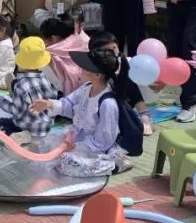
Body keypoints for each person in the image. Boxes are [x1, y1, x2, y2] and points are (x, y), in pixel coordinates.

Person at [32, 47, 131, 176]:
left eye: (85, 67)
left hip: (94, 147)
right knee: (46, 147)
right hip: (76, 137)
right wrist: (49, 104)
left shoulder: (107, 104)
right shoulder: (87, 88)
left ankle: (113, 165)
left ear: (97, 75)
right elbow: (69, 104)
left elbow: (104, 139)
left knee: (68, 163)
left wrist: (75, 146)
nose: (81, 69)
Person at [88, 30, 155, 136]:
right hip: (101, 103)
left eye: (114, 48)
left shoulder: (123, 61)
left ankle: (145, 116)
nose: (113, 53)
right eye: (107, 51)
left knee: (128, 79)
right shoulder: (92, 67)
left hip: (122, 102)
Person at [0, 37, 56, 137]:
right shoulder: (46, 80)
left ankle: (17, 135)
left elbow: (16, 111)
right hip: (45, 128)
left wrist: (1, 101)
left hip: (26, 127)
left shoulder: (21, 85)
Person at [40, 16, 88, 95]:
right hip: (89, 90)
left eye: (46, 40)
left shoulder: (51, 54)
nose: (46, 44)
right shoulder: (81, 42)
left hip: (69, 95)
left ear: (53, 38)